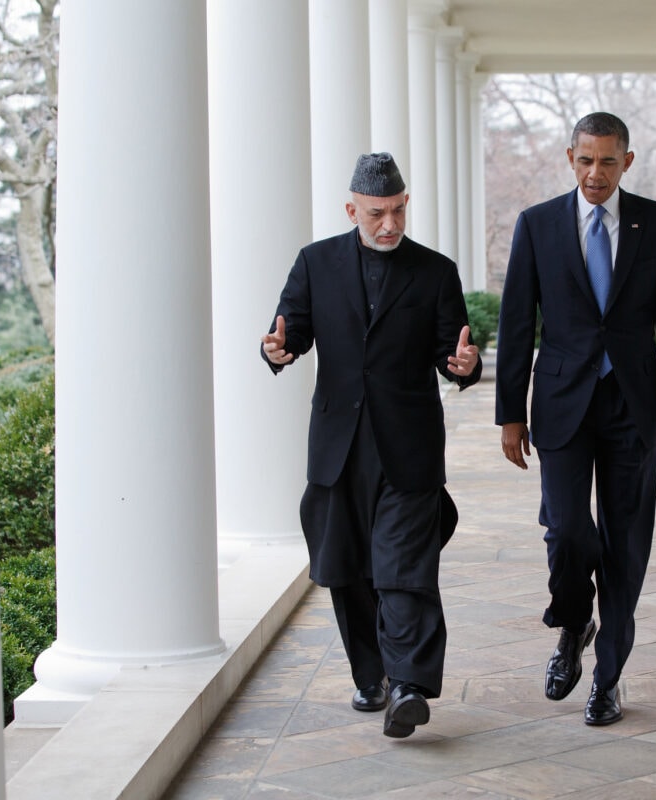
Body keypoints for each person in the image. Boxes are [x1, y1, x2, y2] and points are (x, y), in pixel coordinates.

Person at [261, 152, 481, 738]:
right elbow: (292, 331)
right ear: (352, 209)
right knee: (348, 569)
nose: (389, 225)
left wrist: (464, 365)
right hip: (338, 447)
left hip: (408, 448)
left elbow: (452, 352)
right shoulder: (316, 263)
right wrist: (276, 350)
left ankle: (409, 683)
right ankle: (370, 675)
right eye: (377, 214)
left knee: (403, 567)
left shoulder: (436, 271)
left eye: (398, 211)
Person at [495, 112, 656, 726]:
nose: (595, 172)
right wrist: (509, 414)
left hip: (632, 403)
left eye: (608, 161)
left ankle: (608, 677)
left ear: (627, 163)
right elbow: (514, 323)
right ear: (570, 157)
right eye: (585, 160)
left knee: (626, 545)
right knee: (565, 531)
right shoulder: (537, 225)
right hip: (560, 404)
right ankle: (573, 621)